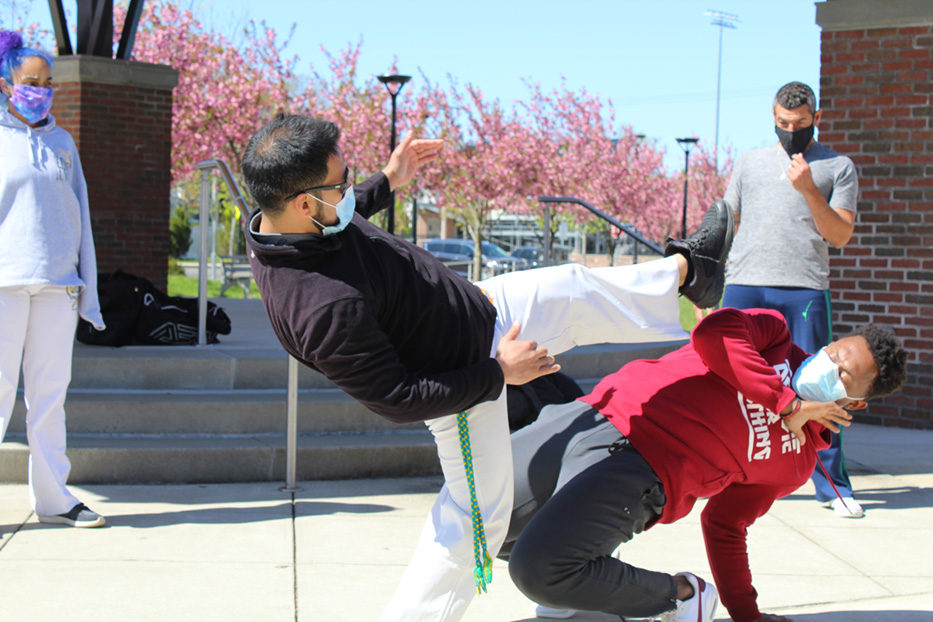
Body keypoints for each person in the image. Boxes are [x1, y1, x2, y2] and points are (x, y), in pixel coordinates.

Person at [240, 113, 734, 622]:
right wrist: (500, 373)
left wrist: (389, 177)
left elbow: (347, 212)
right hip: (462, 382)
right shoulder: (320, 309)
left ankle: (691, 272)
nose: (349, 191)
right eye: (341, 184)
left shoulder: (287, 222)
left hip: (480, 312)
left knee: (573, 287)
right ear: (304, 203)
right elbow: (398, 397)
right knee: (476, 523)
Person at [502, 307, 908, 622]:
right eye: (832, 353)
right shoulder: (776, 338)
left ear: (854, 403)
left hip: (642, 468)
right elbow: (712, 333)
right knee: (471, 516)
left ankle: (679, 597)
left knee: (540, 569)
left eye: (842, 374)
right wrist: (786, 403)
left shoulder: (797, 461)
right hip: (591, 414)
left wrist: (746, 614)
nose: (827, 366)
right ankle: (589, 598)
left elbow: (726, 525)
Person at [721, 81, 864, 518]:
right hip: (744, 283)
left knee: (821, 382)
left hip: (803, 287)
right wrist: (713, 288)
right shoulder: (749, 163)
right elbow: (728, 223)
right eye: (783, 123)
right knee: (727, 379)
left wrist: (807, 189)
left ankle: (833, 486)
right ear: (773, 116)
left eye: (800, 123)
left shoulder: (838, 167)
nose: (790, 130)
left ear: (815, 119)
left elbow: (839, 235)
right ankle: (723, 471)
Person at [0, 31, 106, 527]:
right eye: (29, 82)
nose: (40, 90)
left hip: (57, 283)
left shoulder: (63, 142)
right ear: (5, 85)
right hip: (4, 283)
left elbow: (80, 214)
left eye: (47, 82)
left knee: (49, 396)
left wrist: (87, 287)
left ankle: (54, 499)